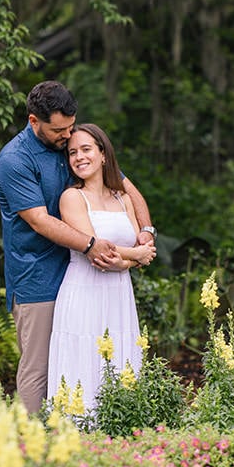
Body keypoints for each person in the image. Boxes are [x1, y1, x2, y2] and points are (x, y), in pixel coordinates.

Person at [0, 81, 154, 413]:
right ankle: (31, 447)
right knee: (39, 369)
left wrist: (147, 230)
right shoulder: (15, 159)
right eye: (59, 131)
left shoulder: (74, 146)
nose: (68, 137)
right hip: (37, 276)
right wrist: (93, 245)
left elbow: (126, 187)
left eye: (70, 126)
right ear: (34, 121)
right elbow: (39, 220)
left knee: (87, 361)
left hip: (80, 274)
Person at [47, 124, 155, 412]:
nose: (79, 157)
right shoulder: (71, 197)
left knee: (120, 355)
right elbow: (95, 245)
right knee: (83, 357)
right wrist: (138, 255)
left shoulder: (123, 198)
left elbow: (133, 246)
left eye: (86, 149)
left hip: (118, 292)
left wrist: (127, 261)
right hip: (84, 290)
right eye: (72, 153)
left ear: (103, 154)